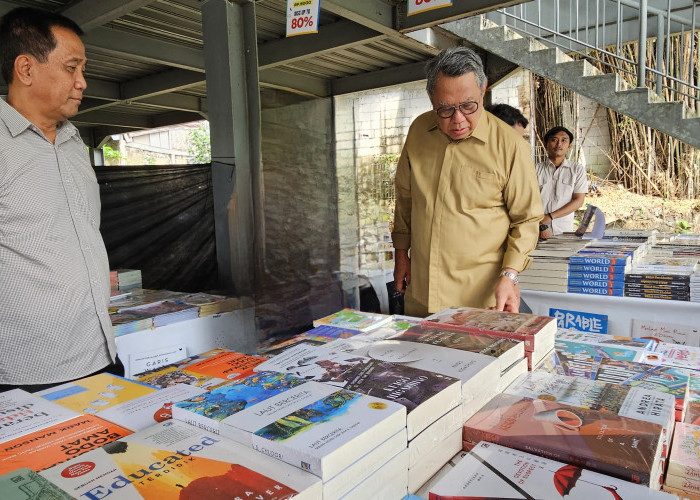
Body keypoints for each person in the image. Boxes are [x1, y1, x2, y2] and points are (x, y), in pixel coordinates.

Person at [0, 7, 121, 392]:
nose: (82, 82)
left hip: (101, 354)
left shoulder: (73, 142)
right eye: (72, 68)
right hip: (31, 373)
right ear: (26, 69)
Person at [391, 47, 543, 317]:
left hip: (478, 302)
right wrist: (401, 253)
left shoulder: (509, 146)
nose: (458, 120)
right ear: (431, 98)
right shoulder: (418, 132)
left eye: (468, 106)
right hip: (422, 292)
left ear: (483, 90)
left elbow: (527, 220)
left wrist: (511, 275)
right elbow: (405, 199)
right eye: (445, 109)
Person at [536, 126, 588, 239]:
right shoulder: (535, 169)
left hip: (564, 231)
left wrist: (550, 216)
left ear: (569, 146)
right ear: (545, 144)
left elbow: (579, 201)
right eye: (554, 140)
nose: (559, 144)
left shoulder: (576, 170)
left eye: (564, 140)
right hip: (537, 232)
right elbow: (528, 201)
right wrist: (542, 226)